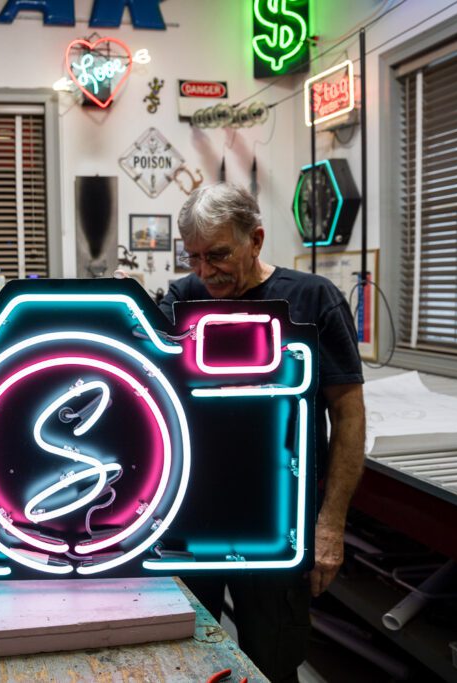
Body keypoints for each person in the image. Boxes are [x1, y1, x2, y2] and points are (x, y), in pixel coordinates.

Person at [161, 183, 366, 683]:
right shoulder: (184, 296)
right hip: (194, 518)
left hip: (279, 523)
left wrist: (330, 525)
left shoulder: (312, 298)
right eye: (194, 258)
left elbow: (349, 413)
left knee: (274, 660)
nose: (205, 273)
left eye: (218, 255)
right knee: (188, 659)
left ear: (255, 239)